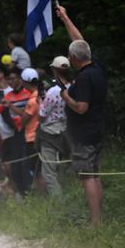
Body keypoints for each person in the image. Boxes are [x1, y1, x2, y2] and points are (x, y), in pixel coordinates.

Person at [56, 5, 108, 227]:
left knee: (87, 177)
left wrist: (65, 95)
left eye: (70, 56)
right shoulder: (96, 66)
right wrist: (66, 17)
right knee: (94, 175)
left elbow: (81, 107)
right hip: (96, 130)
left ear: (74, 60)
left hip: (85, 134)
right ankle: (98, 220)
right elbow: (80, 41)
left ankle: (95, 222)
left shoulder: (85, 78)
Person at [0, 68, 33, 196]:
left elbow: (30, 113)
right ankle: (21, 192)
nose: (11, 81)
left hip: (28, 131)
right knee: (15, 167)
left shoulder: (28, 94)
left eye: (14, 78)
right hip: (15, 134)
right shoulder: (8, 96)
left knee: (27, 164)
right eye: (9, 79)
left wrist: (11, 106)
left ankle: (29, 191)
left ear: (20, 79)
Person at [38, 56, 72, 196]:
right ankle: (67, 195)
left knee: (49, 173)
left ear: (54, 70)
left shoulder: (53, 92)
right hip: (67, 131)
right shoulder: (73, 87)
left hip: (51, 133)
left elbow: (42, 114)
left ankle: (59, 203)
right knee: (64, 168)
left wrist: (40, 101)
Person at [20, 68, 41, 188]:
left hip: (31, 138)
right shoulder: (41, 95)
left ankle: (44, 197)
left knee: (37, 172)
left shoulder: (33, 101)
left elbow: (24, 120)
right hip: (39, 137)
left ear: (25, 82)